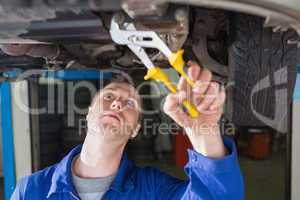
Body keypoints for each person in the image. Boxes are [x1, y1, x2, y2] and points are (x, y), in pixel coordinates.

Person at [12, 61, 244, 200]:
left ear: (136, 129)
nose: (117, 104)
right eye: (110, 96)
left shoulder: (153, 190)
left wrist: (205, 132)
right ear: (89, 111)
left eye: (130, 103)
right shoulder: (32, 190)